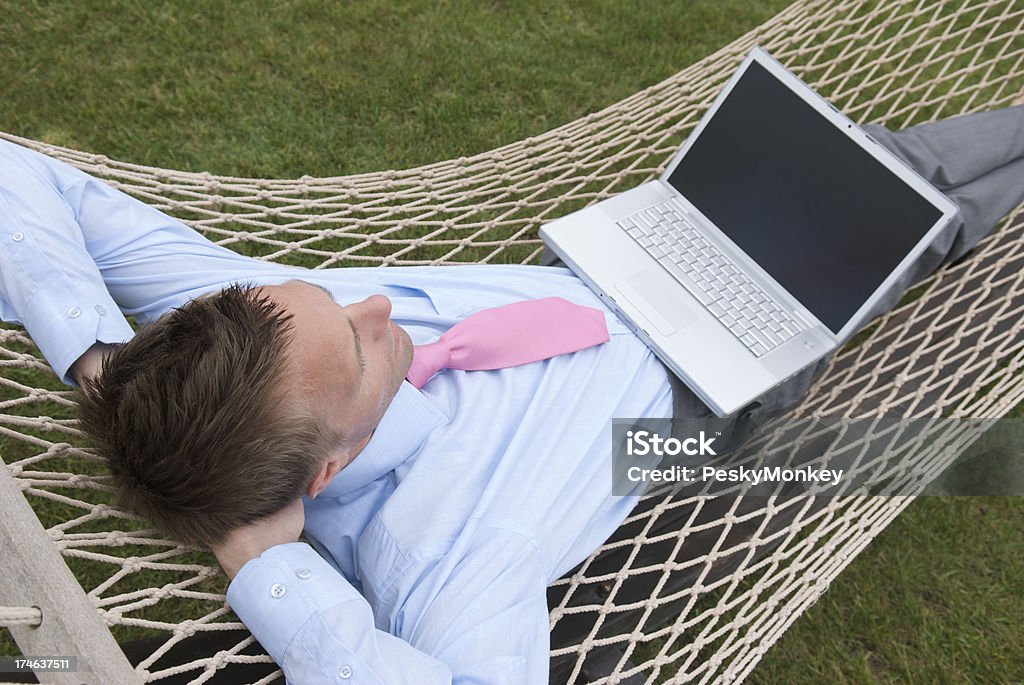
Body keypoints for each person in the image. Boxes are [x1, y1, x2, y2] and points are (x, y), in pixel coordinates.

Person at [1, 105, 1022, 684]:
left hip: (598, 271)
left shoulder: (233, 341)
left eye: (324, 301)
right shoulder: (446, 559)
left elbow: (19, 176)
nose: (371, 307)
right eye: (358, 352)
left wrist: (101, 369)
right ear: (326, 468)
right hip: (677, 418)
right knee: (902, 214)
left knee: (847, 165)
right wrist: (269, 570)